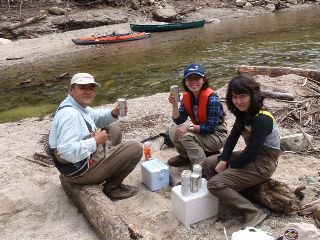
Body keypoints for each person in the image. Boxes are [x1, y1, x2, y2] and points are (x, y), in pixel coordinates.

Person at [49, 73, 143, 200]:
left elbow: (96, 116)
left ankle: (108, 165)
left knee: (114, 130)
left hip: (78, 162)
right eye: (83, 88)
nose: (88, 92)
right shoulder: (70, 115)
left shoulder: (76, 105)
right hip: (79, 171)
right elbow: (66, 151)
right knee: (135, 148)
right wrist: (95, 141)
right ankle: (112, 187)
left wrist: (114, 113)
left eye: (91, 88)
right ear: (71, 90)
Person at [203, 75, 281, 228]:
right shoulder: (244, 114)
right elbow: (231, 139)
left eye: (243, 96)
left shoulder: (262, 119)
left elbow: (251, 155)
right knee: (209, 162)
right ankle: (228, 197)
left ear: (253, 95)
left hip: (264, 163)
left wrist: (229, 167)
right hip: (250, 156)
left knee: (214, 183)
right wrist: (224, 159)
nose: (239, 101)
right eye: (235, 97)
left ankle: (253, 212)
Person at [167, 63, 227, 167]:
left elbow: (210, 128)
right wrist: (174, 105)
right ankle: (186, 157)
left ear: (203, 80)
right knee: (173, 131)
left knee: (186, 136)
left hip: (217, 135)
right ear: (185, 82)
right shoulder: (187, 97)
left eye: (197, 78)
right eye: (190, 79)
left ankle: (202, 167)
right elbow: (178, 120)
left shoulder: (212, 99)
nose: (193, 82)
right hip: (202, 132)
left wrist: (189, 127)